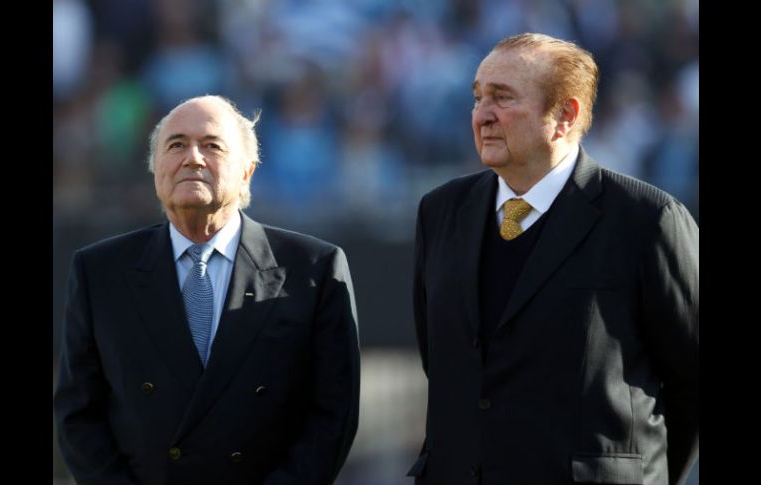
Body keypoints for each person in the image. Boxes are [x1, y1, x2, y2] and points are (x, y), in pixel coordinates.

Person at [408, 33, 698, 485]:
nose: (482, 115)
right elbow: (446, 365)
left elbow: (690, 383)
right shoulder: (441, 211)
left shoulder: (647, 219)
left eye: (502, 98)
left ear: (565, 115)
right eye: (478, 97)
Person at [54, 95, 360, 485]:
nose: (193, 158)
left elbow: (333, 415)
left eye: (212, 145)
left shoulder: (314, 270)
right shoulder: (99, 272)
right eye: (176, 145)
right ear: (155, 168)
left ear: (247, 171)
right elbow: (77, 414)